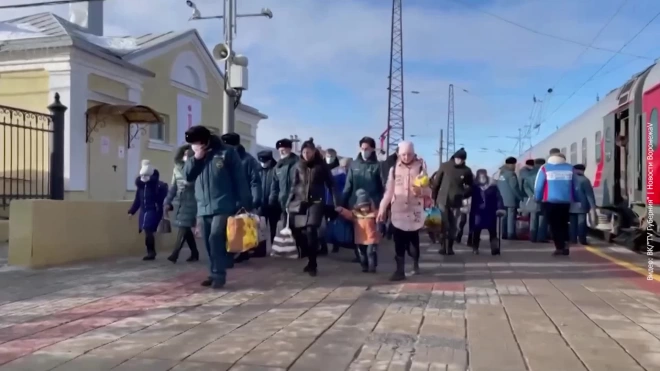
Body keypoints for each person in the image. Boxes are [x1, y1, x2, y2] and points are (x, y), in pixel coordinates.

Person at [184, 126, 251, 288]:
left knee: (215, 237)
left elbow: (240, 179)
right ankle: (214, 271)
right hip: (203, 206)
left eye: (197, 143)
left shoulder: (226, 152)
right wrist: (197, 158)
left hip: (224, 204)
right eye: (193, 144)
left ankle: (219, 275)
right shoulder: (194, 155)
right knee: (207, 242)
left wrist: (244, 203)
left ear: (205, 140)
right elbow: (188, 176)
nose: (195, 146)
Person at [378, 141, 431, 281]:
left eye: (409, 154)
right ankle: (399, 270)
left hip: (414, 212)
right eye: (403, 154)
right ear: (398, 154)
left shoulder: (420, 168)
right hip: (398, 211)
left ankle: (415, 262)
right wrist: (382, 208)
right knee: (399, 242)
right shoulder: (393, 169)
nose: (406, 157)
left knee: (413, 242)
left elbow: (428, 191)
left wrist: (421, 190)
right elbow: (389, 192)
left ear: (413, 153)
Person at [287, 138, 337, 276]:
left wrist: (335, 203)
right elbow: (294, 185)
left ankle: (312, 263)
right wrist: (288, 201)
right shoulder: (298, 166)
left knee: (311, 229)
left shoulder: (321, 166)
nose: (306, 154)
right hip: (300, 201)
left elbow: (331, 184)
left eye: (309, 152)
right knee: (295, 228)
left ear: (314, 152)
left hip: (316, 201)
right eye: (304, 152)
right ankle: (306, 251)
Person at [220, 133, 262, 264]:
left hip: (242, 198)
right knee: (226, 227)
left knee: (239, 226)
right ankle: (230, 253)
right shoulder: (222, 158)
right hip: (225, 198)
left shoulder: (248, 160)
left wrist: (255, 199)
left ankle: (242, 252)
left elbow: (255, 181)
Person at [342, 136, 385, 260]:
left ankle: (371, 255)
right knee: (358, 233)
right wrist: (342, 202)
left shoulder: (377, 166)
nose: (364, 151)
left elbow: (383, 186)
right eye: (362, 148)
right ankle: (361, 257)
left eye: (367, 148)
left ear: (372, 149)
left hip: (372, 206)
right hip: (355, 205)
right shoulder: (354, 165)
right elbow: (348, 185)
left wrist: (383, 206)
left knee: (370, 233)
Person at [431, 148, 474, 255]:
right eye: (458, 158)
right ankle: (442, 246)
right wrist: (434, 198)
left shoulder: (466, 170)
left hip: (456, 201)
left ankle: (450, 247)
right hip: (442, 200)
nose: (459, 160)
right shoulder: (445, 166)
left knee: (453, 225)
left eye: (462, 159)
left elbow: (471, 186)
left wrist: (465, 194)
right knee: (443, 224)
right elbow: (436, 183)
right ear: (454, 157)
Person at [534, 152, 577, 256]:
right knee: (564, 224)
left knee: (554, 225)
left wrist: (537, 198)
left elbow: (538, 186)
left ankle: (559, 247)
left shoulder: (545, 168)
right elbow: (576, 185)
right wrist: (576, 199)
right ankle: (566, 244)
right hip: (566, 201)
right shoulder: (570, 168)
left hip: (550, 201)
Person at [164, 146, 199, 263]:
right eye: (184, 154)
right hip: (180, 201)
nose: (186, 156)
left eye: (189, 154)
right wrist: (167, 201)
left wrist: (190, 184)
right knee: (186, 227)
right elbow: (173, 187)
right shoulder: (177, 168)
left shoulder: (197, 168)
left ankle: (175, 253)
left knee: (183, 226)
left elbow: (201, 184)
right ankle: (195, 253)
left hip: (192, 200)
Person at [128, 160, 168, 261]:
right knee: (147, 231)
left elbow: (163, 198)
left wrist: (167, 206)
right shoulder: (141, 187)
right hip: (144, 211)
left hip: (154, 210)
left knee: (148, 229)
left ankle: (151, 252)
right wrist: (132, 211)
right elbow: (138, 200)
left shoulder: (157, 186)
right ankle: (150, 251)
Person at [336, 189, 379, 273]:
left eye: (366, 206)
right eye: (362, 207)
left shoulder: (374, 215)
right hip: (360, 239)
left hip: (371, 239)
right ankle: (364, 266)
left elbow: (381, 215)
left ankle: (372, 266)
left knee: (370, 253)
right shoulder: (356, 215)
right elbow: (348, 214)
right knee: (362, 254)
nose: (364, 208)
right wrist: (341, 210)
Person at [469, 169, 505, 255]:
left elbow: (498, 198)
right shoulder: (474, 187)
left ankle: (494, 248)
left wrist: (500, 208)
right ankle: (475, 247)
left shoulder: (493, 186)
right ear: (477, 177)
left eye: (483, 176)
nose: (482, 178)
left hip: (490, 212)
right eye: (480, 176)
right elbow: (466, 195)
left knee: (492, 232)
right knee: (476, 231)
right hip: (478, 212)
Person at [256, 150, 279, 257]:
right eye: (262, 161)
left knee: (273, 228)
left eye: (266, 161)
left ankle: (274, 249)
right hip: (261, 204)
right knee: (261, 228)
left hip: (274, 205)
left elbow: (275, 188)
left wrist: (272, 200)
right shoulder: (258, 170)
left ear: (270, 160)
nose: (264, 164)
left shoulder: (276, 169)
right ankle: (261, 250)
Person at [496, 157, 525, 240]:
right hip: (510, 199)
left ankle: (504, 234)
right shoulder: (511, 174)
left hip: (502, 199)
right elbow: (514, 187)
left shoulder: (502, 174)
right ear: (511, 164)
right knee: (511, 218)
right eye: (514, 164)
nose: (515, 166)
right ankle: (511, 234)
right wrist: (520, 196)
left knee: (504, 217)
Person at [521, 158, 548, 242]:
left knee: (533, 218)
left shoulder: (529, 174)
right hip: (543, 198)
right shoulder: (544, 173)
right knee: (542, 218)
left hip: (533, 198)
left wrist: (530, 195)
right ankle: (541, 238)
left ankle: (532, 237)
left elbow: (525, 186)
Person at [569, 164, 597, 245]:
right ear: (582, 170)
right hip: (581, 205)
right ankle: (582, 240)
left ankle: (573, 239)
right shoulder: (585, 180)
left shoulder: (570, 179)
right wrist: (593, 206)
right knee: (582, 223)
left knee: (573, 223)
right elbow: (589, 195)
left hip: (571, 204)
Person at [328, 157, 350, 253]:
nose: (344, 168)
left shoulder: (351, 172)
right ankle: (336, 243)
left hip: (346, 200)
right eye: (343, 166)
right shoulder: (335, 173)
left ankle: (343, 240)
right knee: (335, 221)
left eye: (346, 166)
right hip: (336, 200)